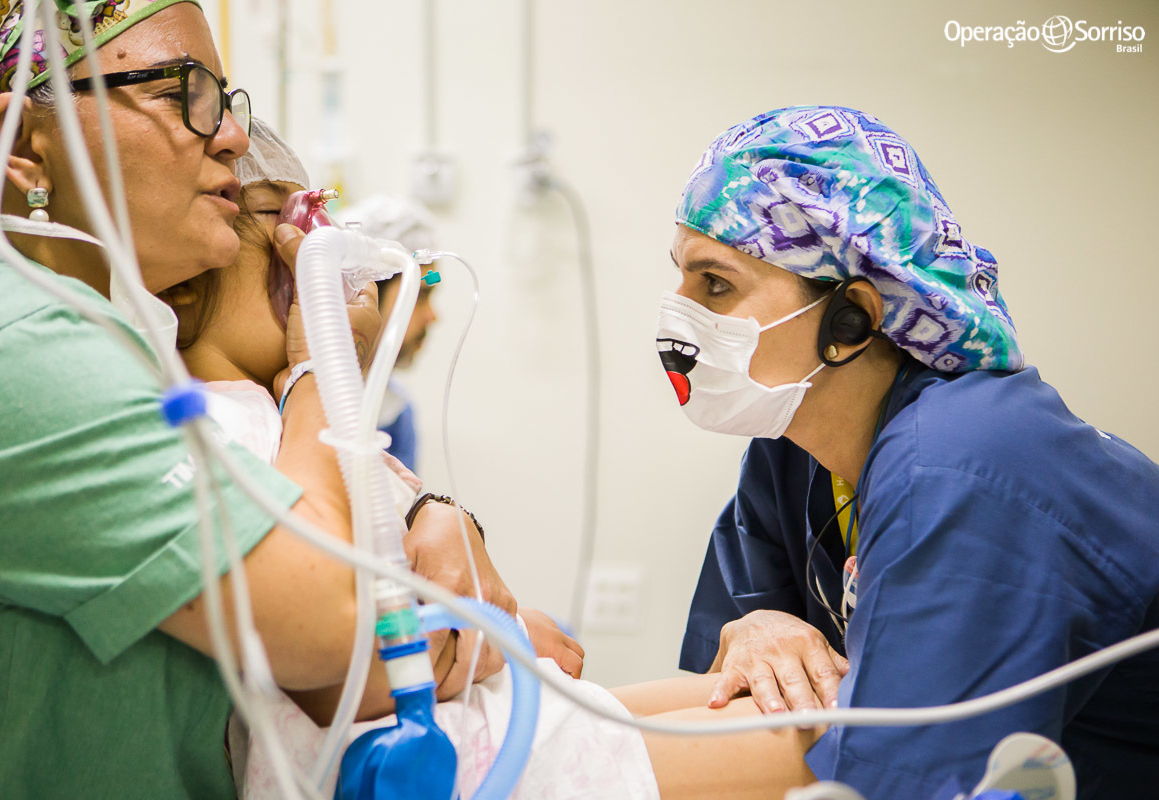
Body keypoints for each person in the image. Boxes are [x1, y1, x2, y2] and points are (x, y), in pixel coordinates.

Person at [168, 120, 826, 800]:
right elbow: (350, 659)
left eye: (313, 219)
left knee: (754, 700)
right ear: (186, 279)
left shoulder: (289, 412)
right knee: (829, 743)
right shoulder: (225, 427)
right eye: (277, 220)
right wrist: (495, 638)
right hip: (444, 756)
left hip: (481, 719)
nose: (310, 254)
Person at [0, 2, 511, 797]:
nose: (232, 136)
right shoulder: (9, 341)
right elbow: (344, 631)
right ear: (28, 146)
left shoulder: (114, 336)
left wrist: (433, 513)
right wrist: (326, 362)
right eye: (180, 90)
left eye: (224, 97)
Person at [659, 106, 1159, 798]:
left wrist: (556, 765)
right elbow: (736, 699)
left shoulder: (961, 464)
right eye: (680, 278)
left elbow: (890, 778)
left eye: (715, 284)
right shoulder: (794, 450)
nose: (676, 317)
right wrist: (756, 625)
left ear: (852, 318)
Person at [336, 195, 441, 471]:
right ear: (365, 291)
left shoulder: (396, 412)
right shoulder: (297, 399)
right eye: (420, 296)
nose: (433, 316)